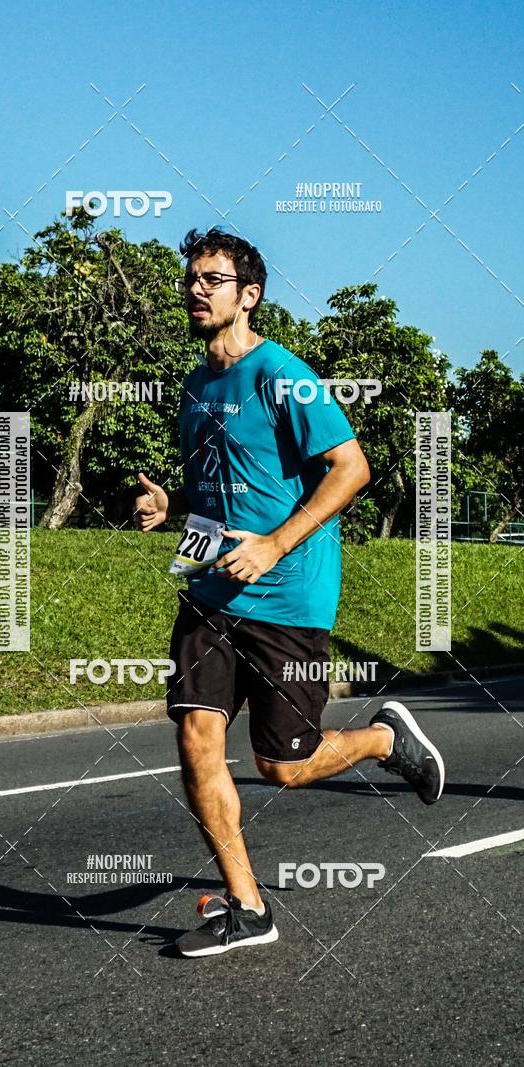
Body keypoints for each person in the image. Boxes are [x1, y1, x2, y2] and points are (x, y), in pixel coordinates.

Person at [134, 227, 445, 958]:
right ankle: (247, 907)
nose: (196, 290)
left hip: (288, 600)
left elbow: (351, 467)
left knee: (284, 762)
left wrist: (275, 544)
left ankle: (382, 738)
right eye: (192, 279)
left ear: (250, 294)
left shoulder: (284, 374)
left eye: (212, 279)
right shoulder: (194, 386)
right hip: (210, 592)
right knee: (196, 734)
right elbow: (227, 488)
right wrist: (171, 507)